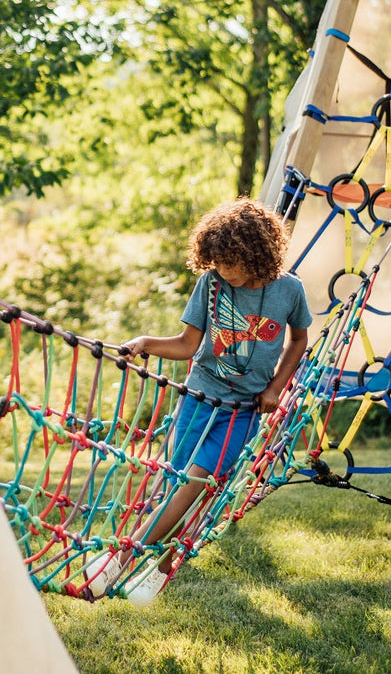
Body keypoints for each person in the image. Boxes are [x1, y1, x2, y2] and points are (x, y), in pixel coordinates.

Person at [84, 198, 312, 604]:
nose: (224, 270)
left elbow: (299, 340)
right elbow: (188, 344)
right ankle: (161, 567)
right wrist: (145, 343)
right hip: (198, 399)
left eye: (231, 262)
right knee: (176, 484)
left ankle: (123, 557)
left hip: (241, 412)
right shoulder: (211, 284)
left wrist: (276, 387)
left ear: (256, 254)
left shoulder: (289, 290)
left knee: (196, 486)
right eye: (217, 262)